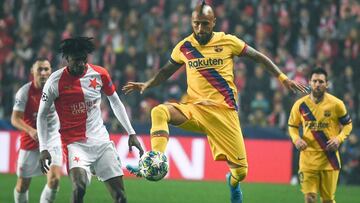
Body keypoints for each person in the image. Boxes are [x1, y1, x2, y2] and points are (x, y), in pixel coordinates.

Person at [123, 1, 308, 203]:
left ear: (214, 22)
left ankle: (233, 182)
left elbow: (259, 57)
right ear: (191, 23)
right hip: (196, 110)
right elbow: (167, 71)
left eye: (205, 24)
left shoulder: (228, 42)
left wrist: (283, 78)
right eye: (196, 24)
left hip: (224, 114)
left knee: (242, 172)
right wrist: (147, 84)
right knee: (159, 111)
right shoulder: (184, 47)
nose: (200, 29)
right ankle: (156, 160)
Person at [37, 37, 144, 203]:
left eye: (83, 60)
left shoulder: (100, 74)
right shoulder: (54, 82)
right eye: (76, 60)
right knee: (79, 188)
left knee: (121, 197)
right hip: (75, 145)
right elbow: (42, 115)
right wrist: (43, 147)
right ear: (66, 59)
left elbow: (115, 101)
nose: (80, 64)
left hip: (101, 142)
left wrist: (131, 132)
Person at [288, 68, 353, 203]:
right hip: (307, 160)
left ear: (327, 84)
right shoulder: (300, 105)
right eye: (315, 81)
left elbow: (348, 125)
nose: (317, 84)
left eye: (321, 81)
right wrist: (296, 139)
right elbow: (292, 126)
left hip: (329, 160)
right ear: (309, 83)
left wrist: (339, 139)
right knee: (310, 198)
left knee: (327, 200)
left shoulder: (337, 104)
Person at [11, 58, 62, 203]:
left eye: (46, 69)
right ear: (32, 71)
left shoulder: (57, 90)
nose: (43, 72)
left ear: (51, 71)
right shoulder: (24, 92)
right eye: (40, 69)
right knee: (22, 186)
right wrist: (31, 130)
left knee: (54, 180)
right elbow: (15, 119)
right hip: (30, 141)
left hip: (52, 139)